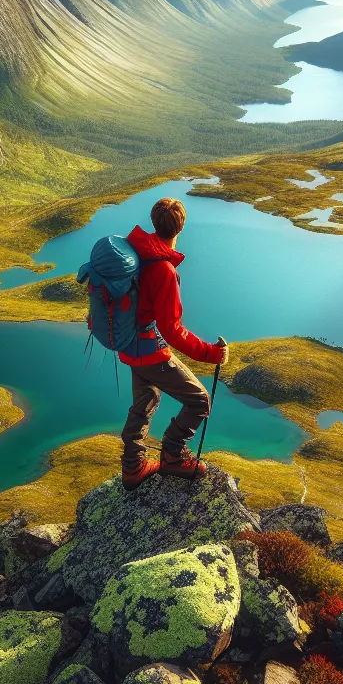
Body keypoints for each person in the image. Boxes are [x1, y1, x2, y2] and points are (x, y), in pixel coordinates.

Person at [119, 196, 228, 488]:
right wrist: (210, 354)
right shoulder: (164, 269)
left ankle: (133, 468)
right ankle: (172, 456)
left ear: (155, 222)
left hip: (129, 345)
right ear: (180, 227)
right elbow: (172, 330)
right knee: (200, 401)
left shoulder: (139, 252)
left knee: (145, 402)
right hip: (149, 350)